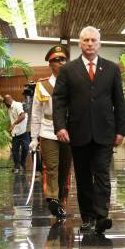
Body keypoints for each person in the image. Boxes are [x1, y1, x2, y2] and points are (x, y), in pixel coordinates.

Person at [53, 26, 125, 234]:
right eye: (86, 40)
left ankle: (102, 216)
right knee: (84, 175)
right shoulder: (68, 70)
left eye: (93, 40)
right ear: (80, 44)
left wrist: (121, 129)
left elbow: (119, 101)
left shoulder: (111, 69)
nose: (90, 44)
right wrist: (60, 126)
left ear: (100, 43)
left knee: (102, 173)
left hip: (105, 131)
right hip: (78, 131)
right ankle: (88, 217)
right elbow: (59, 100)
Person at [30, 45, 73, 218]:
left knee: (65, 168)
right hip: (48, 130)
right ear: (50, 64)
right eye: (56, 60)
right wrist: (34, 137)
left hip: (69, 131)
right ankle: (52, 200)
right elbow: (36, 112)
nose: (60, 63)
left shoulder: (74, 84)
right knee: (51, 167)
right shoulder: (42, 86)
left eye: (63, 59)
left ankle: (61, 201)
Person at [4, 94, 29, 173]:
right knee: (15, 150)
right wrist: (10, 128)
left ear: (7, 101)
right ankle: (17, 166)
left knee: (25, 148)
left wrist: (14, 124)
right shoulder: (9, 109)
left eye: (5, 103)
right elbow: (12, 120)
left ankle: (23, 163)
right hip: (15, 132)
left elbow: (23, 116)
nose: (5, 105)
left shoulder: (17, 105)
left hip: (23, 130)